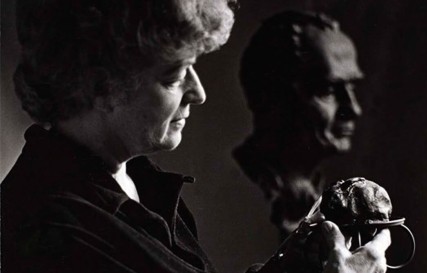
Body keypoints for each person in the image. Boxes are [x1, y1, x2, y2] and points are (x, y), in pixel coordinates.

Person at [2, 2, 389, 273]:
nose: (199, 93)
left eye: (195, 66)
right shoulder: (50, 232)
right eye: (174, 75)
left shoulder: (143, 182)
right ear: (100, 84)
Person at [234, 10, 364, 237]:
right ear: (273, 97)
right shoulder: (226, 197)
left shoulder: (325, 198)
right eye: (328, 90)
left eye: (352, 87)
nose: (353, 109)